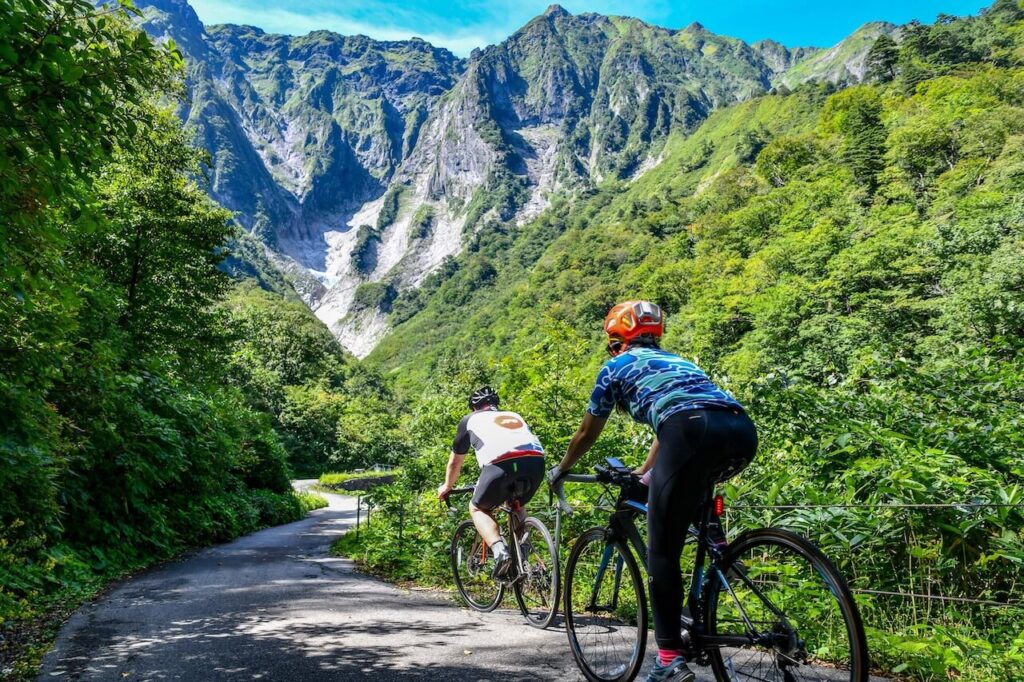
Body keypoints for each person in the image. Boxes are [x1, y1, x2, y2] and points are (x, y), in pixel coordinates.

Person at [549, 301, 757, 682]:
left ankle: (667, 660)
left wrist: (561, 469)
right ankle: (718, 550)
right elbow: (677, 415)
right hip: (739, 429)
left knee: (662, 552)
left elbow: (586, 432)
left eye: (613, 343)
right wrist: (645, 471)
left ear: (619, 340)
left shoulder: (614, 367)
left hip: (687, 433)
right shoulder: (680, 363)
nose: (612, 350)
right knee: (688, 495)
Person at [437, 386, 546, 578]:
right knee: (516, 504)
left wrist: (447, 487)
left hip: (500, 465)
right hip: (536, 463)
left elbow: (455, 462)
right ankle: (524, 556)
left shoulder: (469, 420)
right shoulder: (515, 415)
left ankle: (500, 552)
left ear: (474, 407)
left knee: (478, 508)